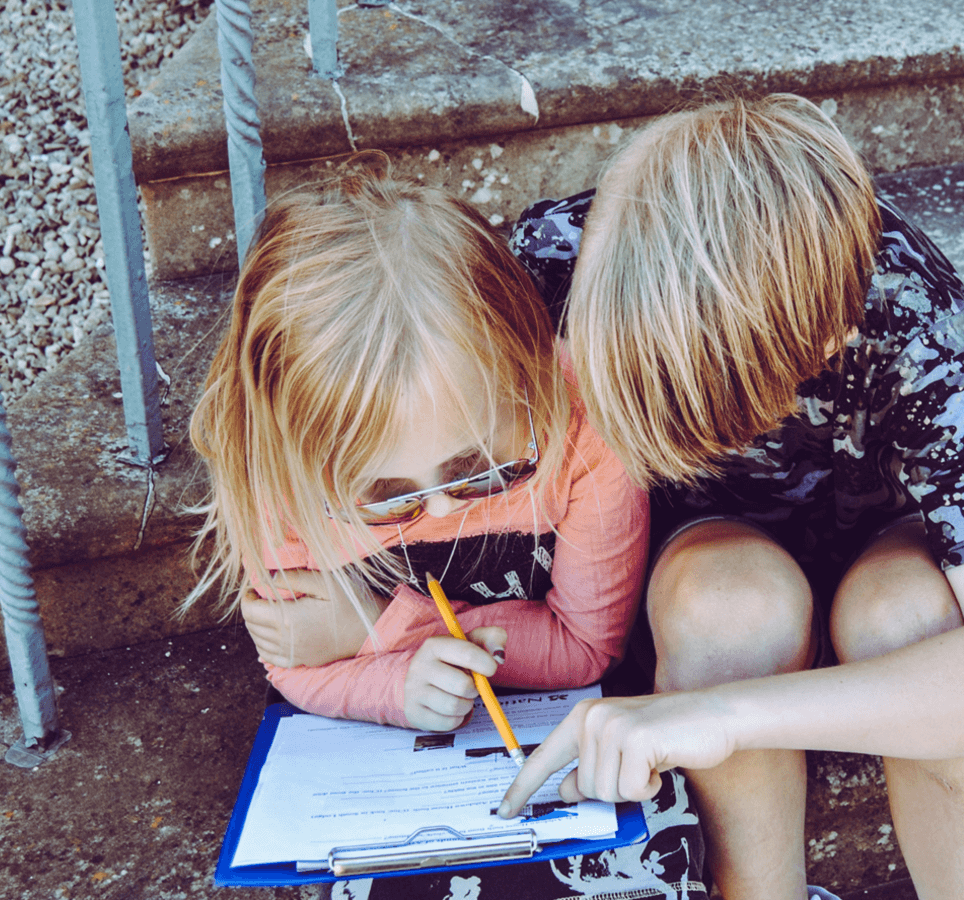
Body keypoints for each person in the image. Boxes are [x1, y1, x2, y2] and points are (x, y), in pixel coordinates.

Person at [500, 95, 964, 900]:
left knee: (910, 617)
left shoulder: (905, 313)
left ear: (823, 344)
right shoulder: (555, 262)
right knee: (729, 608)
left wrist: (729, 715)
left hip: (883, 542)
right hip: (703, 567)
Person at [184, 172, 707, 898]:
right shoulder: (274, 470)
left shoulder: (585, 427)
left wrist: (381, 623)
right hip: (396, 775)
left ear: (531, 372)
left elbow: (588, 646)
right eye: (382, 500)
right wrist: (399, 683)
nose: (437, 513)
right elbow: (296, 662)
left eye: (481, 471)